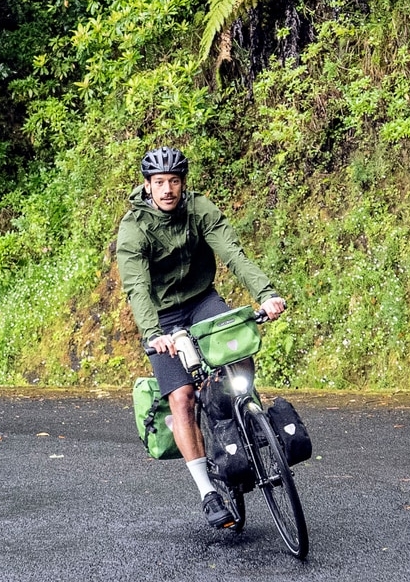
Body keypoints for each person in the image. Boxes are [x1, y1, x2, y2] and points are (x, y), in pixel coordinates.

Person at [115, 147, 287, 529]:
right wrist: (154, 334)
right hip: (161, 316)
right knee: (182, 397)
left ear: (183, 183)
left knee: (238, 348)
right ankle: (208, 491)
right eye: (159, 182)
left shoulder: (199, 209)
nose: (167, 190)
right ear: (147, 186)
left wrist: (266, 293)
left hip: (201, 300)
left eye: (174, 181)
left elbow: (234, 254)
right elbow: (137, 288)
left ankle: (249, 415)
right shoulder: (134, 229)